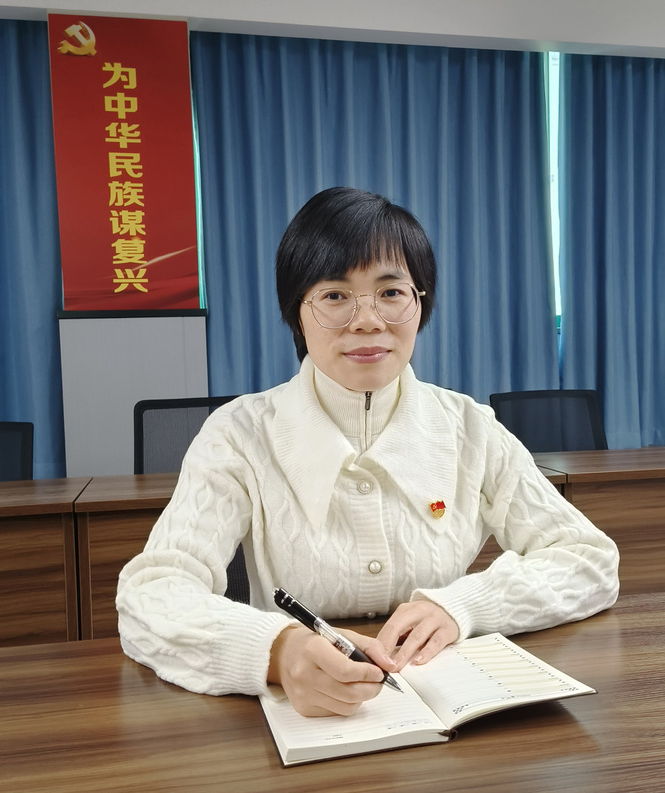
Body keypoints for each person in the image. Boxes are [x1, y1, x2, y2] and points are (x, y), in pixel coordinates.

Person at [117, 186, 619, 717]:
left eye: (391, 292)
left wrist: (463, 605)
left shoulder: (470, 428)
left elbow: (588, 559)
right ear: (297, 313)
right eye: (335, 296)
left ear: (420, 303)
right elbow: (152, 594)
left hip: (453, 700)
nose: (368, 320)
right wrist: (276, 651)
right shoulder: (239, 434)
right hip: (305, 714)